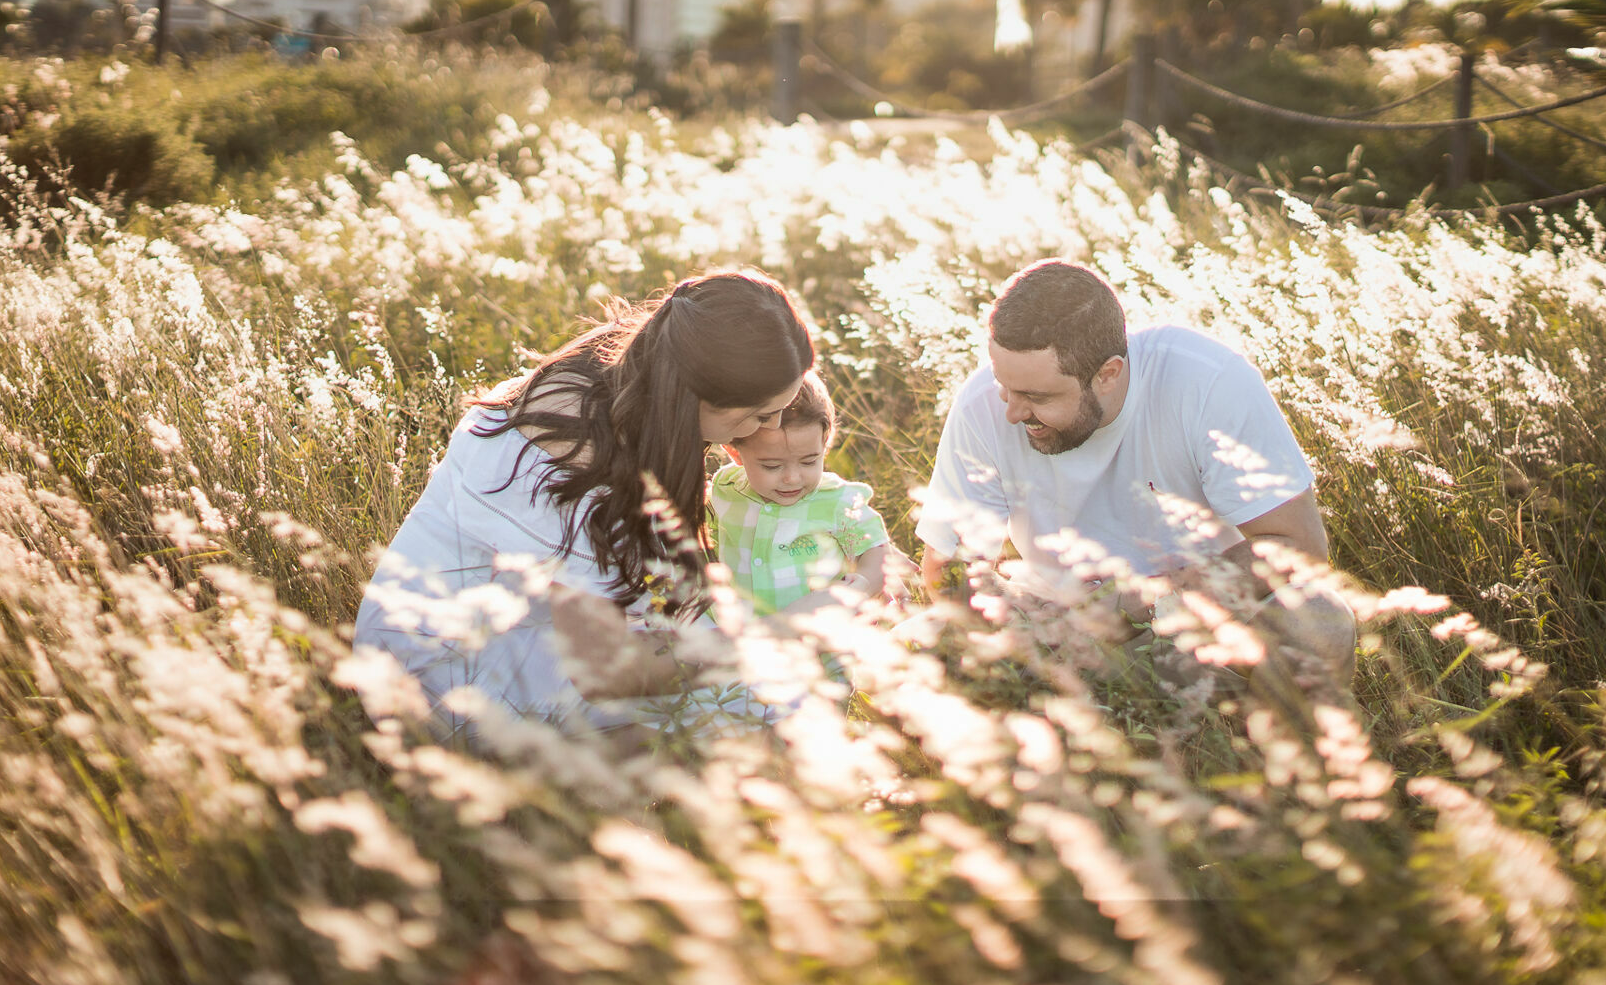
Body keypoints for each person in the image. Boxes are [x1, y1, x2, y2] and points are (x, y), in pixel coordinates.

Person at [353, 270, 814, 734]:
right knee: (761, 708)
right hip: (441, 675)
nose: (770, 428)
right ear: (700, 393)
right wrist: (763, 640)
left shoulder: (628, 375)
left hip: (521, 636)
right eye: (760, 414)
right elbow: (604, 670)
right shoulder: (572, 460)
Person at [915, 259, 1354, 691]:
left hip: (1209, 622)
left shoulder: (1205, 380)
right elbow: (948, 571)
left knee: (1320, 623)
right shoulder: (982, 407)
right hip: (1062, 633)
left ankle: (1243, 732)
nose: (1011, 412)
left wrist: (1151, 602)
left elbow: (1299, 547)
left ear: (1108, 374)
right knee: (919, 649)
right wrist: (1021, 617)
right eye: (1003, 385)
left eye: (1036, 396)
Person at [707, 371, 892, 617]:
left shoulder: (837, 500)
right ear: (735, 453)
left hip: (821, 640)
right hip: (748, 637)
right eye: (772, 466)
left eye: (808, 462)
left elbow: (877, 551)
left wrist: (861, 587)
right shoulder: (726, 488)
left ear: (824, 444)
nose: (792, 478)